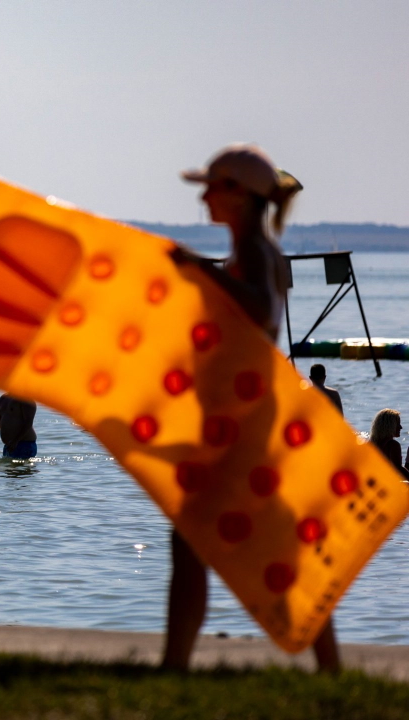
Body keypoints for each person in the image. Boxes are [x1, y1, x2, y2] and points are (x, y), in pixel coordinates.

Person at [169, 143, 339, 673]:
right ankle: (330, 668)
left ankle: (174, 668)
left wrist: (202, 271)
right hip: (240, 419)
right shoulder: (252, 251)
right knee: (272, 548)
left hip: (242, 426)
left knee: (195, 541)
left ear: (239, 197)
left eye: (213, 187)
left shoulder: (258, 254)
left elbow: (263, 310)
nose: (204, 196)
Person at [0, 394, 37, 458]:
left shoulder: (26, 399)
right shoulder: (3, 398)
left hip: (24, 444)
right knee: (7, 467)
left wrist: (15, 441)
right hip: (8, 446)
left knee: (21, 467)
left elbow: (28, 423)